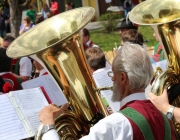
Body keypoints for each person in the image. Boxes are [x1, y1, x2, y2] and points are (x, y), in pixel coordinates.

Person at [39, 42, 175, 140]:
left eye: (113, 74)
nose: (112, 79)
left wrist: (48, 125)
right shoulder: (166, 118)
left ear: (122, 77)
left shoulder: (114, 125)